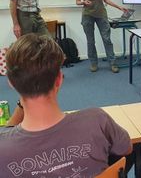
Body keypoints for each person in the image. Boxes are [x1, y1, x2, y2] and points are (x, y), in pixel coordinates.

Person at [0, 34, 133, 177]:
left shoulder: (4, 148)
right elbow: (126, 149)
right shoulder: (97, 120)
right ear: (59, 79)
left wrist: (21, 106)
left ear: (11, 83)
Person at [76, 0, 126, 73]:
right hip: (87, 15)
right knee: (90, 41)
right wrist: (83, 2)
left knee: (107, 39)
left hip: (101, 15)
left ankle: (112, 63)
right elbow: (77, 1)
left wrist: (119, 7)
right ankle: (93, 63)